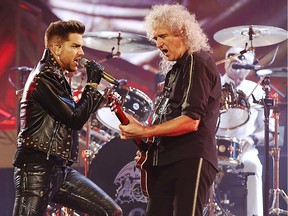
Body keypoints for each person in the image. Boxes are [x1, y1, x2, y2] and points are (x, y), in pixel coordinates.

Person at [118, 4, 221, 216]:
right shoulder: (176, 70)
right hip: (168, 160)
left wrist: (145, 132)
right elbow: (169, 118)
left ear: (182, 30)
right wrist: (149, 147)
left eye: (163, 36)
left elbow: (190, 121)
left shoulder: (196, 60)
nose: (159, 43)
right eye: (155, 38)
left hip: (191, 157)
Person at [12, 20, 123, 216]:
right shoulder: (45, 76)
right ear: (56, 48)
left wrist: (100, 97)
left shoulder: (56, 75)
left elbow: (72, 113)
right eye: (75, 46)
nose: (81, 53)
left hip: (58, 170)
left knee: (110, 211)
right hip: (36, 169)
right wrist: (92, 85)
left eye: (81, 46)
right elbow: (74, 118)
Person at [216, 46, 274, 216]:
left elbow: (269, 131)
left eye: (240, 58)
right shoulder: (213, 85)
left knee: (254, 165)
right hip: (214, 147)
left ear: (248, 67)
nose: (234, 59)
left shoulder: (256, 89)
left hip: (244, 148)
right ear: (225, 62)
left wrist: (252, 140)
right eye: (230, 56)